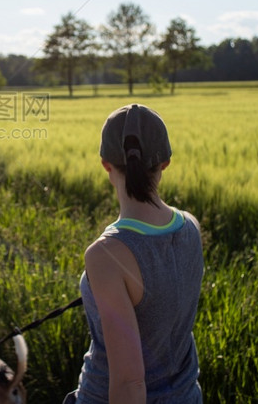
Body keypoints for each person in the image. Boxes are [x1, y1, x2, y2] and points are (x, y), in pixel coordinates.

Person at [64, 104, 204, 404]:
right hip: (187, 396)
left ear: (106, 164)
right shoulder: (191, 227)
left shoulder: (107, 255)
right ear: (165, 162)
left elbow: (129, 383)